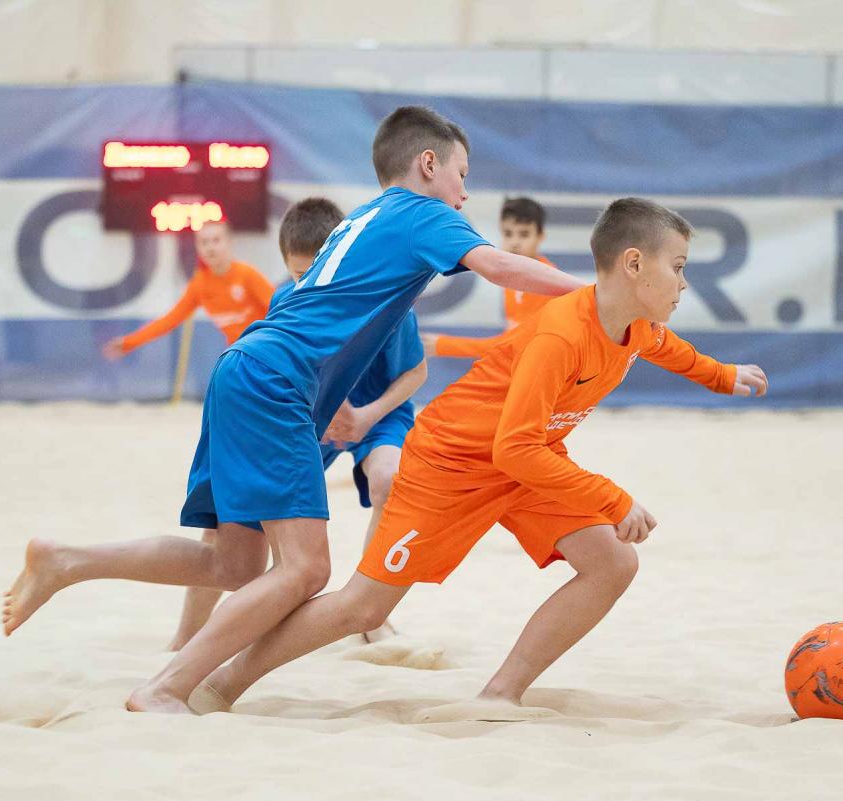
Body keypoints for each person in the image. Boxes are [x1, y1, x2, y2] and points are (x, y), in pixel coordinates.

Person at [2, 105, 586, 715]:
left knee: (232, 563)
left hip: (247, 370)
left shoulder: (361, 219)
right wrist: (597, 294)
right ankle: (166, 687)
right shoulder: (423, 212)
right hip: (276, 381)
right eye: (462, 175)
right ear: (428, 164)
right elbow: (500, 266)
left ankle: (67, 560)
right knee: (306, 570)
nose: (464, 194)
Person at [193, 198, 768, 719]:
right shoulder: (561, 336)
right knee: (364, 608)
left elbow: (668, 349)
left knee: (613, 563)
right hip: (451, 465)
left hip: (526, 462)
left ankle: (500, 694)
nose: (684, 282)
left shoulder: (636, 326)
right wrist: (614, 499)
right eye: (679, 266)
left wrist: (723, 375)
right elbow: (514, 447)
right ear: (634, 264)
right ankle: (223, 681)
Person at [167, 197, 425, 650]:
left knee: (389, 479)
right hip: (314, 413)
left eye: (315, 272)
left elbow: (416, 373)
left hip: (376, 412)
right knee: (232, 519)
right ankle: (185, 636)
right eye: (298, 274)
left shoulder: (387, 300)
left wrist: (365, 416)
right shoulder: (286, 298)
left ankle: (371, 612)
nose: (308, 284)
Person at [102, 220, 272, 359]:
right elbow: (170, 320)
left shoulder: (247, 275)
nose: (210, 247)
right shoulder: (200, 284)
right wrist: (129, 343)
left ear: (229, 242)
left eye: (216, 240)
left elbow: (281, 309)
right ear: (197, 247)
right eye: (204, 242)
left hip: (268, 350)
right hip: (240, 355)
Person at [422, 196, 555, 358]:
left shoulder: (546, 284)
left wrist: (444, 345)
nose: (515, 242)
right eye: (508, 233)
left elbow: (515, 345)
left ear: (541, 236)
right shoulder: (513, 275)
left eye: (524, 234)